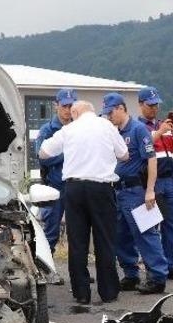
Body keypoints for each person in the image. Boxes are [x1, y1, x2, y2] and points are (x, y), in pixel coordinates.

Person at [38, 100, 127, 305]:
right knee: (105, 239)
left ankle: (81, 292)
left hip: (74, 188)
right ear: (93, 111)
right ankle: (108, 291)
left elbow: (44, 152)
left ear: (76, 112)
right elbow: (124, 154)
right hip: (102, 187)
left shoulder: (69, 129)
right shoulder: (107, 126)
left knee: (77, 241)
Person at [102, 92, 168, 294]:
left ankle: (157, 276)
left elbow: (151, 159)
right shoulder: (113, 132)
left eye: (111, 112)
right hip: (118, 191)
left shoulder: (138, 129)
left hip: (136, 190)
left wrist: (150, 190)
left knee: (146, 234)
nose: (109, 116)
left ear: (121, 108)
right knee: (120, 235)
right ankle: (131, 274)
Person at [135, 85, 173, 280]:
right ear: (141, 105)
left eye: (156, 105)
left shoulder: (165, 126)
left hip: (171, 181)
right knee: (152, 227)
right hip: (153, 182)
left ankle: (171, 265)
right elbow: (143, 145)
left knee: (172, 224)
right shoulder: (139, 127)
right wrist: (159, 131)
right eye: (150, 105)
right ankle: (155, 267)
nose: (154, 109)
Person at [34, 88, 77, 249]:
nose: (68, 110)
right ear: (56, 106)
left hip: (76, 187)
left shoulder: (80, 128)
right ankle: (45, 271)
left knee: (77, 234)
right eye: (64, 106)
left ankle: (77, 274)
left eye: (71, 106)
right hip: (55, 187)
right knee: (50, 233)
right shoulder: (47, 130)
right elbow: (43, 158)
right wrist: (67, 154)